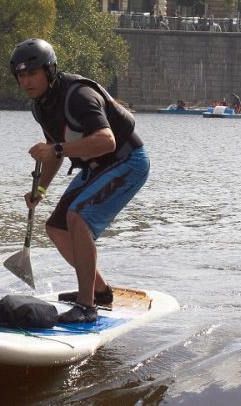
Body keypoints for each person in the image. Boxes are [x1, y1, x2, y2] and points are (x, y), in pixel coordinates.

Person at [10, 38, 149, 324]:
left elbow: (106, 140)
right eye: (21, 75)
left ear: (50, 71)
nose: (27, 81)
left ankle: (87, 307)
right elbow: (54, 154)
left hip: (127, 161)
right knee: (56, 227)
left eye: (32, 73)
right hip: (96, 166)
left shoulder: (79, 96)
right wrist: (41, 188)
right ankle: (99, 291)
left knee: (77, 218)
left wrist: (57, 149)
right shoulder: (41, 106)